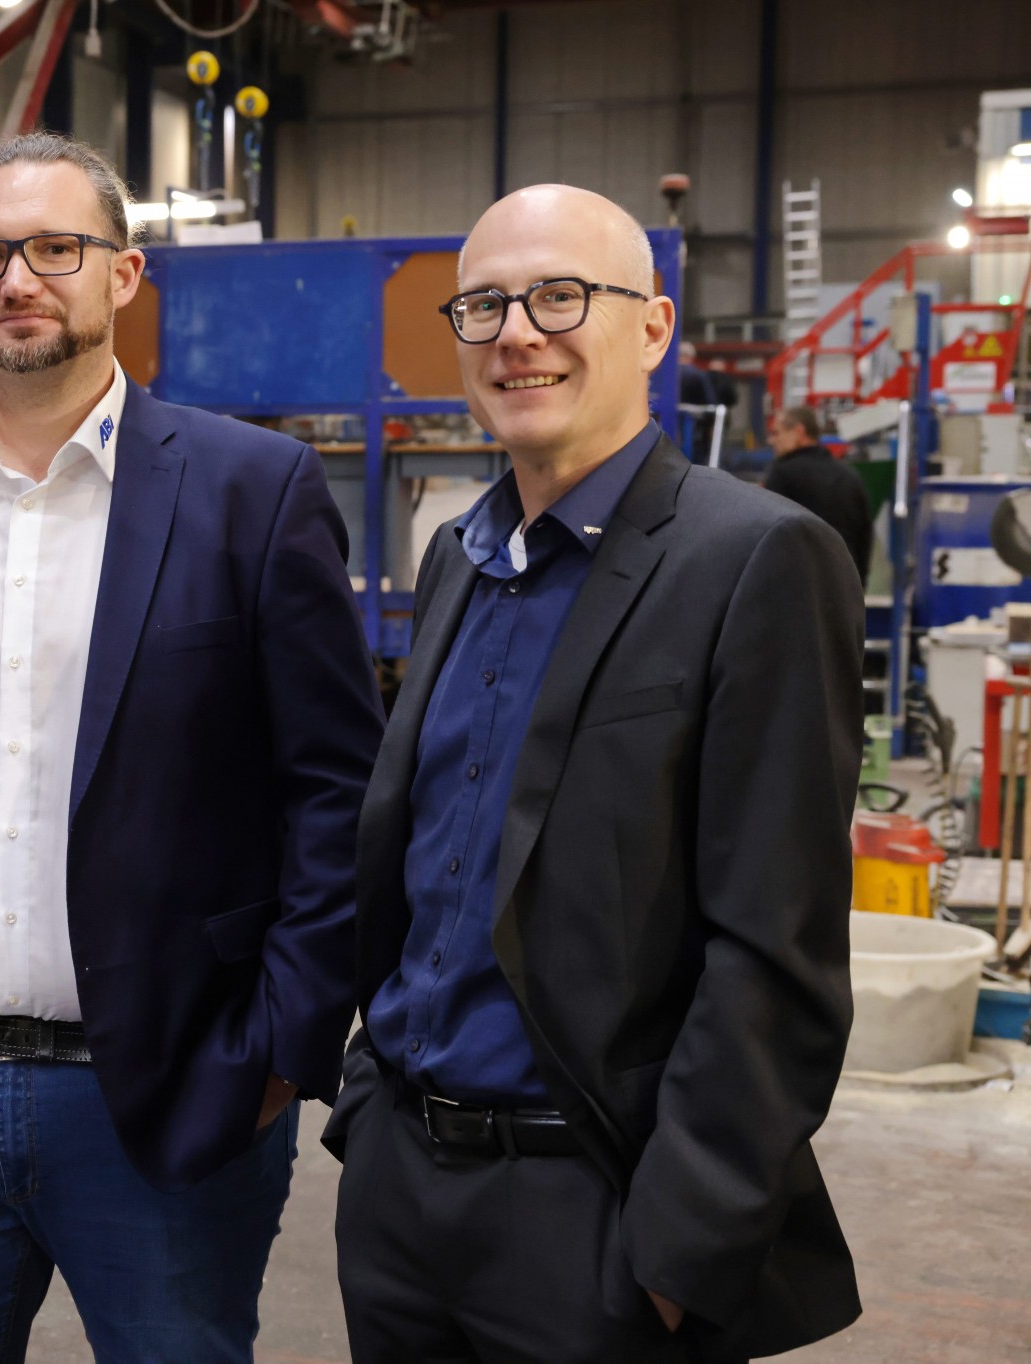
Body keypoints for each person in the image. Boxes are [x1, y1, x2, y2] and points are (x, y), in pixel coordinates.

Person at [0, 130, 383, 1363]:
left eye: (56, 248)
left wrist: (281, 1044)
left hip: (166, 1089)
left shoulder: (250, 488)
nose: (17, 279)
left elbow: (333, 790)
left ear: (122, 273)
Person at [326, 185, 863, 1363]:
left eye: (559, 296)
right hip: (400, 1192)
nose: (515, 333)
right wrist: (369, 1108)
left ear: (653, 327)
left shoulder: (755, 559)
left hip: (590, 1212)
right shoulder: (457, 556)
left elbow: (773, 949)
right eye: (482, 305)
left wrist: (678, 1246)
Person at [766, 404, 874, 584]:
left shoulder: (782, 474)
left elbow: (769, 535)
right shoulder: (849, 476)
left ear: (799, 432)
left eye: (776, 433)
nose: (771, 440)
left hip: (800, 584)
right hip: (845, 580)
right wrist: (859, 583)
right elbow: (864, 536)